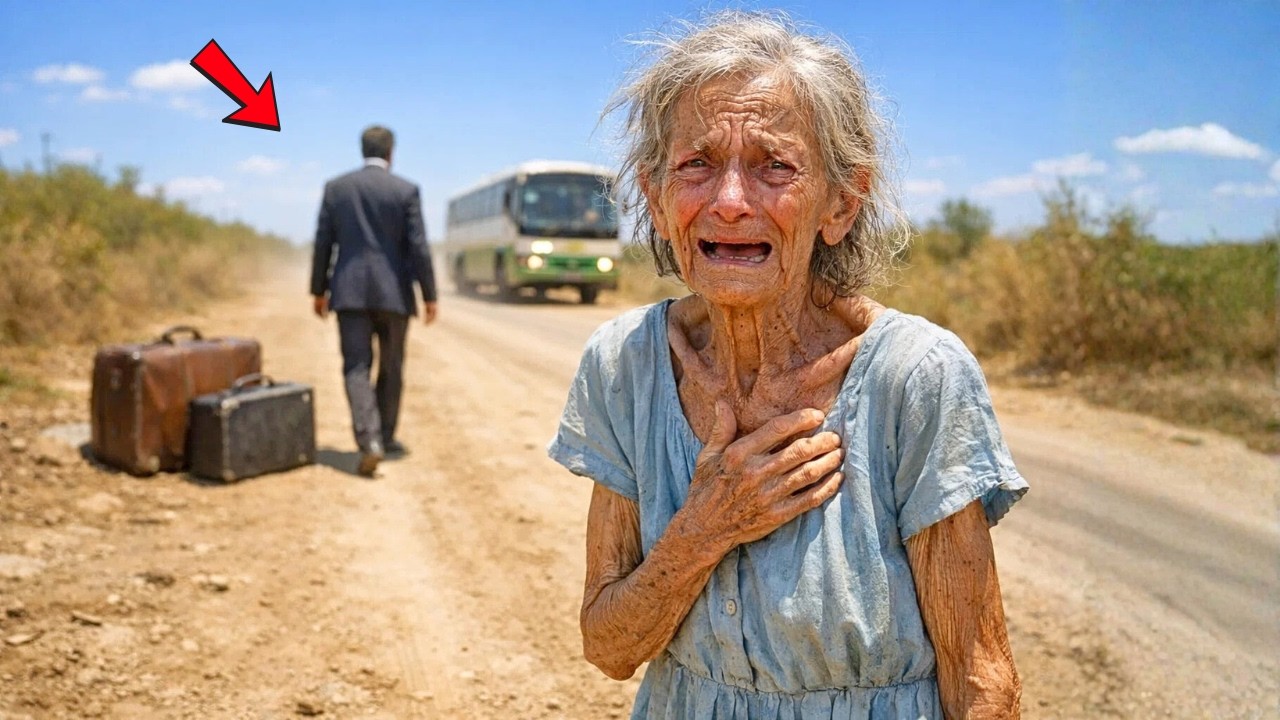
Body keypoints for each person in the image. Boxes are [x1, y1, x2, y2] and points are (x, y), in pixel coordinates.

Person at [548, 11, 1028, 719]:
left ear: (841, 202)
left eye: (775, 167)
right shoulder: (624, 365)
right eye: (696, 165)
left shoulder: (916, 377)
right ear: (655, 200)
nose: (731, 202)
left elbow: (981, 678)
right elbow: (609, 648)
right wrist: (703, 529)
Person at [310, 125, 437, 477]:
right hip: (394, 294)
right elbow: (419, 248)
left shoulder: (337, 188)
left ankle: (370, 441)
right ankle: (386, 436)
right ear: (391, 152)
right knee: (392, 366)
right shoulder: (406, 190)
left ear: (361, 149)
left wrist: (318, 290)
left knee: (356, 367)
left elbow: (323, 243)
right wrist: (430, 295)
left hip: (349, 294)